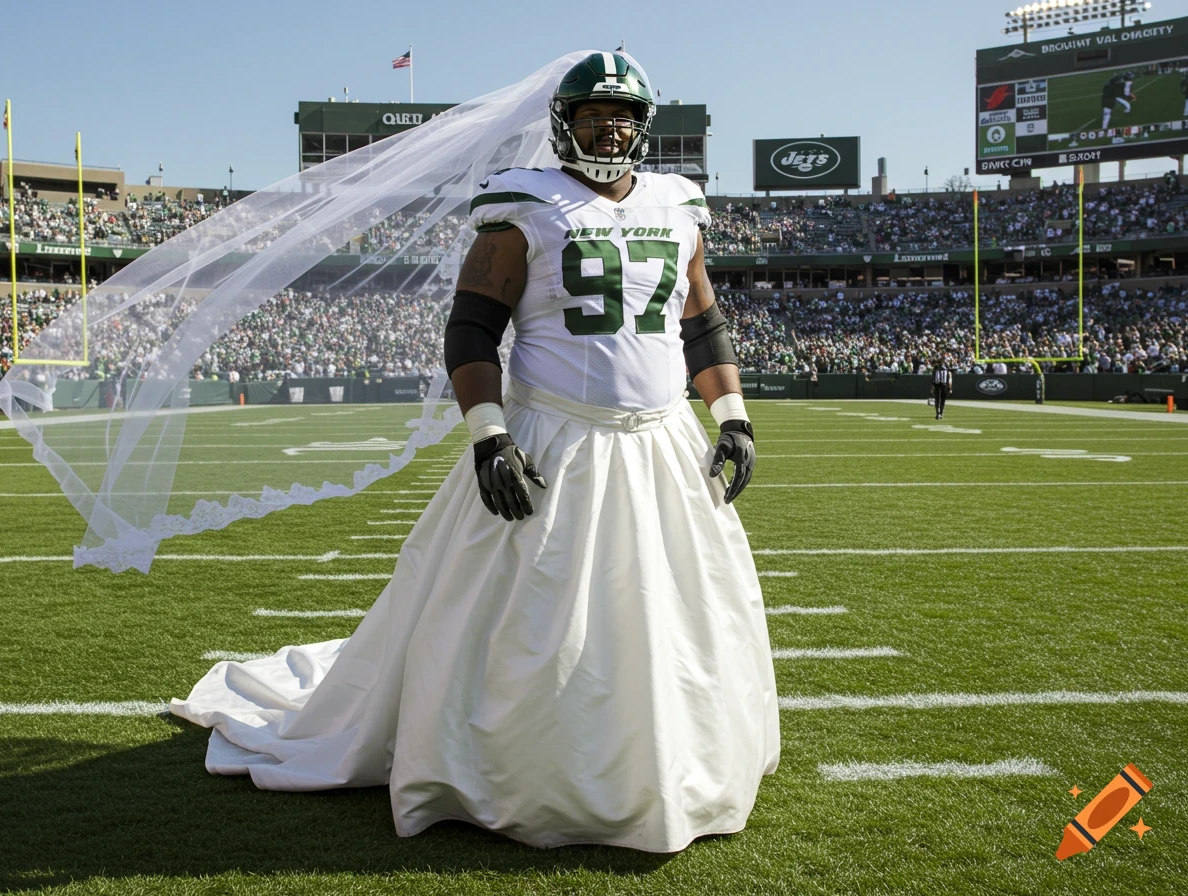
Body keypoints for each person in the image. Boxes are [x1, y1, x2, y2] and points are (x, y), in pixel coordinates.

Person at [169, 51, 780, 854]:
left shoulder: (678, 203)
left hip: (664, 442)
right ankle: (513, 771)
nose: (611, 126)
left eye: (624, 114)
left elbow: (699, 322)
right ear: (564, 121)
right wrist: (489, 433)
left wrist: (730, 413)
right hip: (552, 437)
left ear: (645, 126)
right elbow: (473, 327)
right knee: (523, 620)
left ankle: (674, 760)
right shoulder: (525, 204)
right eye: (596, 113)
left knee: (677, 615)